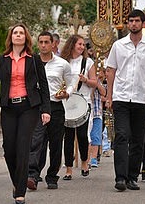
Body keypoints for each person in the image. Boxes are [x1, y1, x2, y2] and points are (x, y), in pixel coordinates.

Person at [0, 23, 51, 204]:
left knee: (22, 147)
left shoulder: (34, 60)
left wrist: (46, 110)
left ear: (25, 37)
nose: (18, 35)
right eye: (15, 33)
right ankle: (16, 181)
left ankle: (20, 192)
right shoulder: (2, 59)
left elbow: (44, 86)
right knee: (8, 149)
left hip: (29, 108)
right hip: (9, 108)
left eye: (21, 33)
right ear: (10, 37)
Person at [105, 9, 145, 192]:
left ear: (143, 23)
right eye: (130, 21)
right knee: (122, 135)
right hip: (121, 97)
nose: (133, 24)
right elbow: (111, 71)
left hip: (141, 98)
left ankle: (132, 177)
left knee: (138, 139)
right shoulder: (119, 45)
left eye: (137, 21)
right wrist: (109, 96)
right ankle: (120, 178)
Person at [27, 31, 74, 190]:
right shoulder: (31, 62)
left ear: (53, 44)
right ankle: (33, 174)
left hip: (55, 105)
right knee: (36, 141)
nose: (43, 45)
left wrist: (68, 92)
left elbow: (71, 81)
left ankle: (52, 176)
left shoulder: (62, 64)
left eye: (47, 42)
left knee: (55, 144)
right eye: (40, 42)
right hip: (38, 106)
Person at [61, 35, 97, 180]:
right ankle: (69, 169)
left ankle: (84, 162)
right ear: (72, 45)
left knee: (82, 135)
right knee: (68, 136)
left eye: (83, 45)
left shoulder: (88, 62)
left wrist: (86, 80)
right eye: (79, 44)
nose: (82, 47)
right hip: (67, 102)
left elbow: (94, 82)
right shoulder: (63, 62)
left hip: (84, 102)